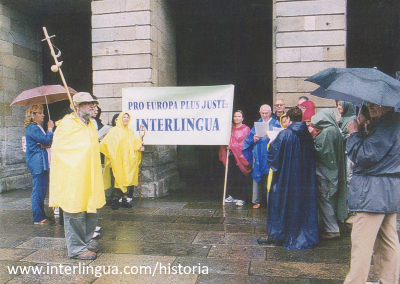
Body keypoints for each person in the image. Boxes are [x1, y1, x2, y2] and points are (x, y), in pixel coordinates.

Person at [344, 103, 400, 284]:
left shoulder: (387, 126)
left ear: (389, 106)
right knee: (387, 241)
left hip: (371, 192)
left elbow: (363, 155)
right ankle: (389, 280)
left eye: (376, 104)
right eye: (368, 104)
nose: (371, 106)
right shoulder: (390, 124)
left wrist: (354, 132)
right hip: (387, 190)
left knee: (362, 245)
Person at [49, 92, 105, 260]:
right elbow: (60, 150)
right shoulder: (67, 125)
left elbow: (92, 147)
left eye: (93, 103)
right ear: (77, 107)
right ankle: (76, 248)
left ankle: (86, 242)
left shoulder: (89, 124)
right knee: (75, 213)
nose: (92, 106)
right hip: (73, 176)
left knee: (92, 211)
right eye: (87, 103)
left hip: (90, 175)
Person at [257, 107, 319, 249]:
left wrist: (270, 142)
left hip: (286, 178)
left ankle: (280, 234)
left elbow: (273, 155)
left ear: (289, 119)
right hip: (303, 179)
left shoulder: (285, 134)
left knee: (281, 203)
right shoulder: (307, 135)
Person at [311, 108, 347, 239]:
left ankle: (332, 229)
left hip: (325, 172)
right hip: (331, 171)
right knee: (328, 199)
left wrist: (311, 139)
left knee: (325, 199)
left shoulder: (327, 132)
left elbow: (321, 152)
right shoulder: (334, 131)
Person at [100, 112, 145, 210]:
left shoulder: (130, 132)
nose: (125, 119)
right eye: (124, 117)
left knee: (126, 179)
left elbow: (135, 143)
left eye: (127, 117)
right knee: (117, 179)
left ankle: (124, 198)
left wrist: (140, 148)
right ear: (120, 118)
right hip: (117, 161)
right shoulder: (114, 131)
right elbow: (105, 144)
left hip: (127, 161)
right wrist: (111, 159)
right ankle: (115, 199)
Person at [243, 104, 281, 209]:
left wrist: (271, 137)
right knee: (257, 175)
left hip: (270, 154)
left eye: (266, 113)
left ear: (270, 113)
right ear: (260, 113)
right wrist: (254, 139)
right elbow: (248, 140)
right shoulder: (257, 124)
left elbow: (281, 137)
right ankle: (256, 200)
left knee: (271, 177)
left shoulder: (276, 123)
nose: (264, 115)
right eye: (262, 113)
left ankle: (271, 201)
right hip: (258, 153)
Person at [25, 105, 54, 225]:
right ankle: (38, 217)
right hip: (38, 163)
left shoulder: (36, 127)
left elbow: (45, 143)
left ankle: (40, 215)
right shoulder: (33, 128)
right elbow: (47, 140)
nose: (43, 115)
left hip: (39, 161)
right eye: (40, 113)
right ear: (33, 115)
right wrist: (50, 129)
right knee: (38, 190)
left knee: (41, 190)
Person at [220, 110, 252, 206]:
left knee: (241, 177)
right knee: (231, 176)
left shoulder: (246, 129)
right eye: (235, 116)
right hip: (231, 156)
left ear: (242, 118)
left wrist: (232, 146)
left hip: (241, 157)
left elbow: (246, 143)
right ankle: (232, 195)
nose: (236, 118)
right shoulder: (230, 128)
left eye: (239, 116)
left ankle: (242, 198)